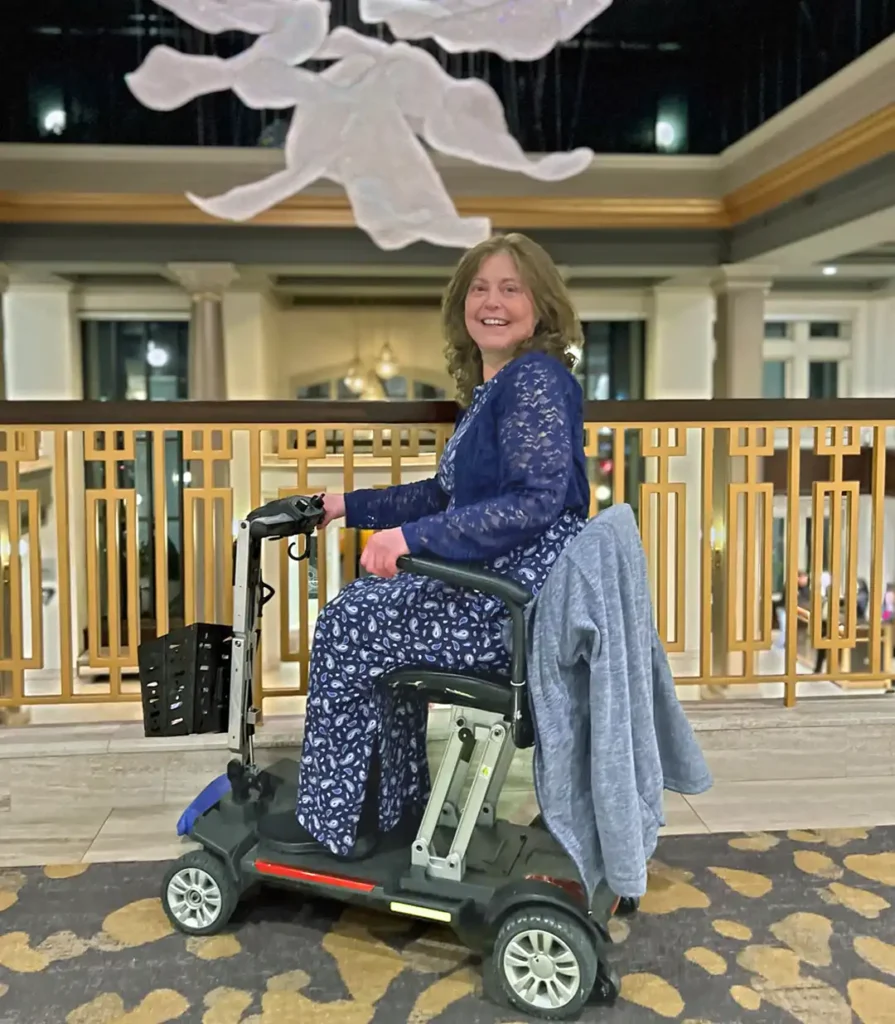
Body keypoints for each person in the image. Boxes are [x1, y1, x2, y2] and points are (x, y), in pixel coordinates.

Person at [285, 232, 591, 860]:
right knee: (366, 614)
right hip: (500, 589)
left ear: (541, 306)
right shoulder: (499, 387)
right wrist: (348, 506)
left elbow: (534, 502)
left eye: (511, 289)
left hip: (512, 610)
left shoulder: (534, 380)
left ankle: (339, 822)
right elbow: (442, 495)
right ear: (462, 305)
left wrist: (409, 539)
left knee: (348, 623)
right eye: (479, 289)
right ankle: (389, 809)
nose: (492, 302)